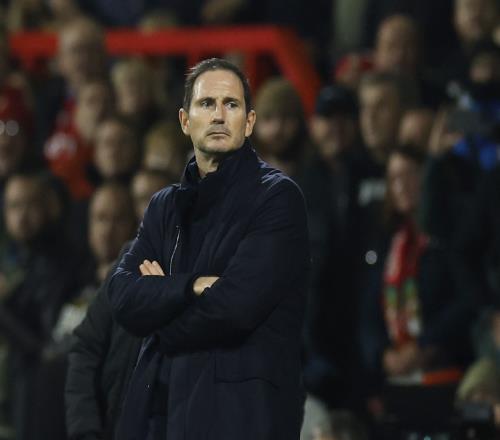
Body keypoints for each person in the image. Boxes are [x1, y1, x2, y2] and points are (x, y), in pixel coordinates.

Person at [106, 57, 310, 440]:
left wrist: (159, 310)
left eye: (231, 104)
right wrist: (192, 286)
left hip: (239, 418)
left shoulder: (277, 198)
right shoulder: (163, 206)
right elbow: (121, 296)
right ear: (185, 121)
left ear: (249, 122)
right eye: (206, 104)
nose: (218, 115)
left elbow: (235, 308)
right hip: (156, 416)